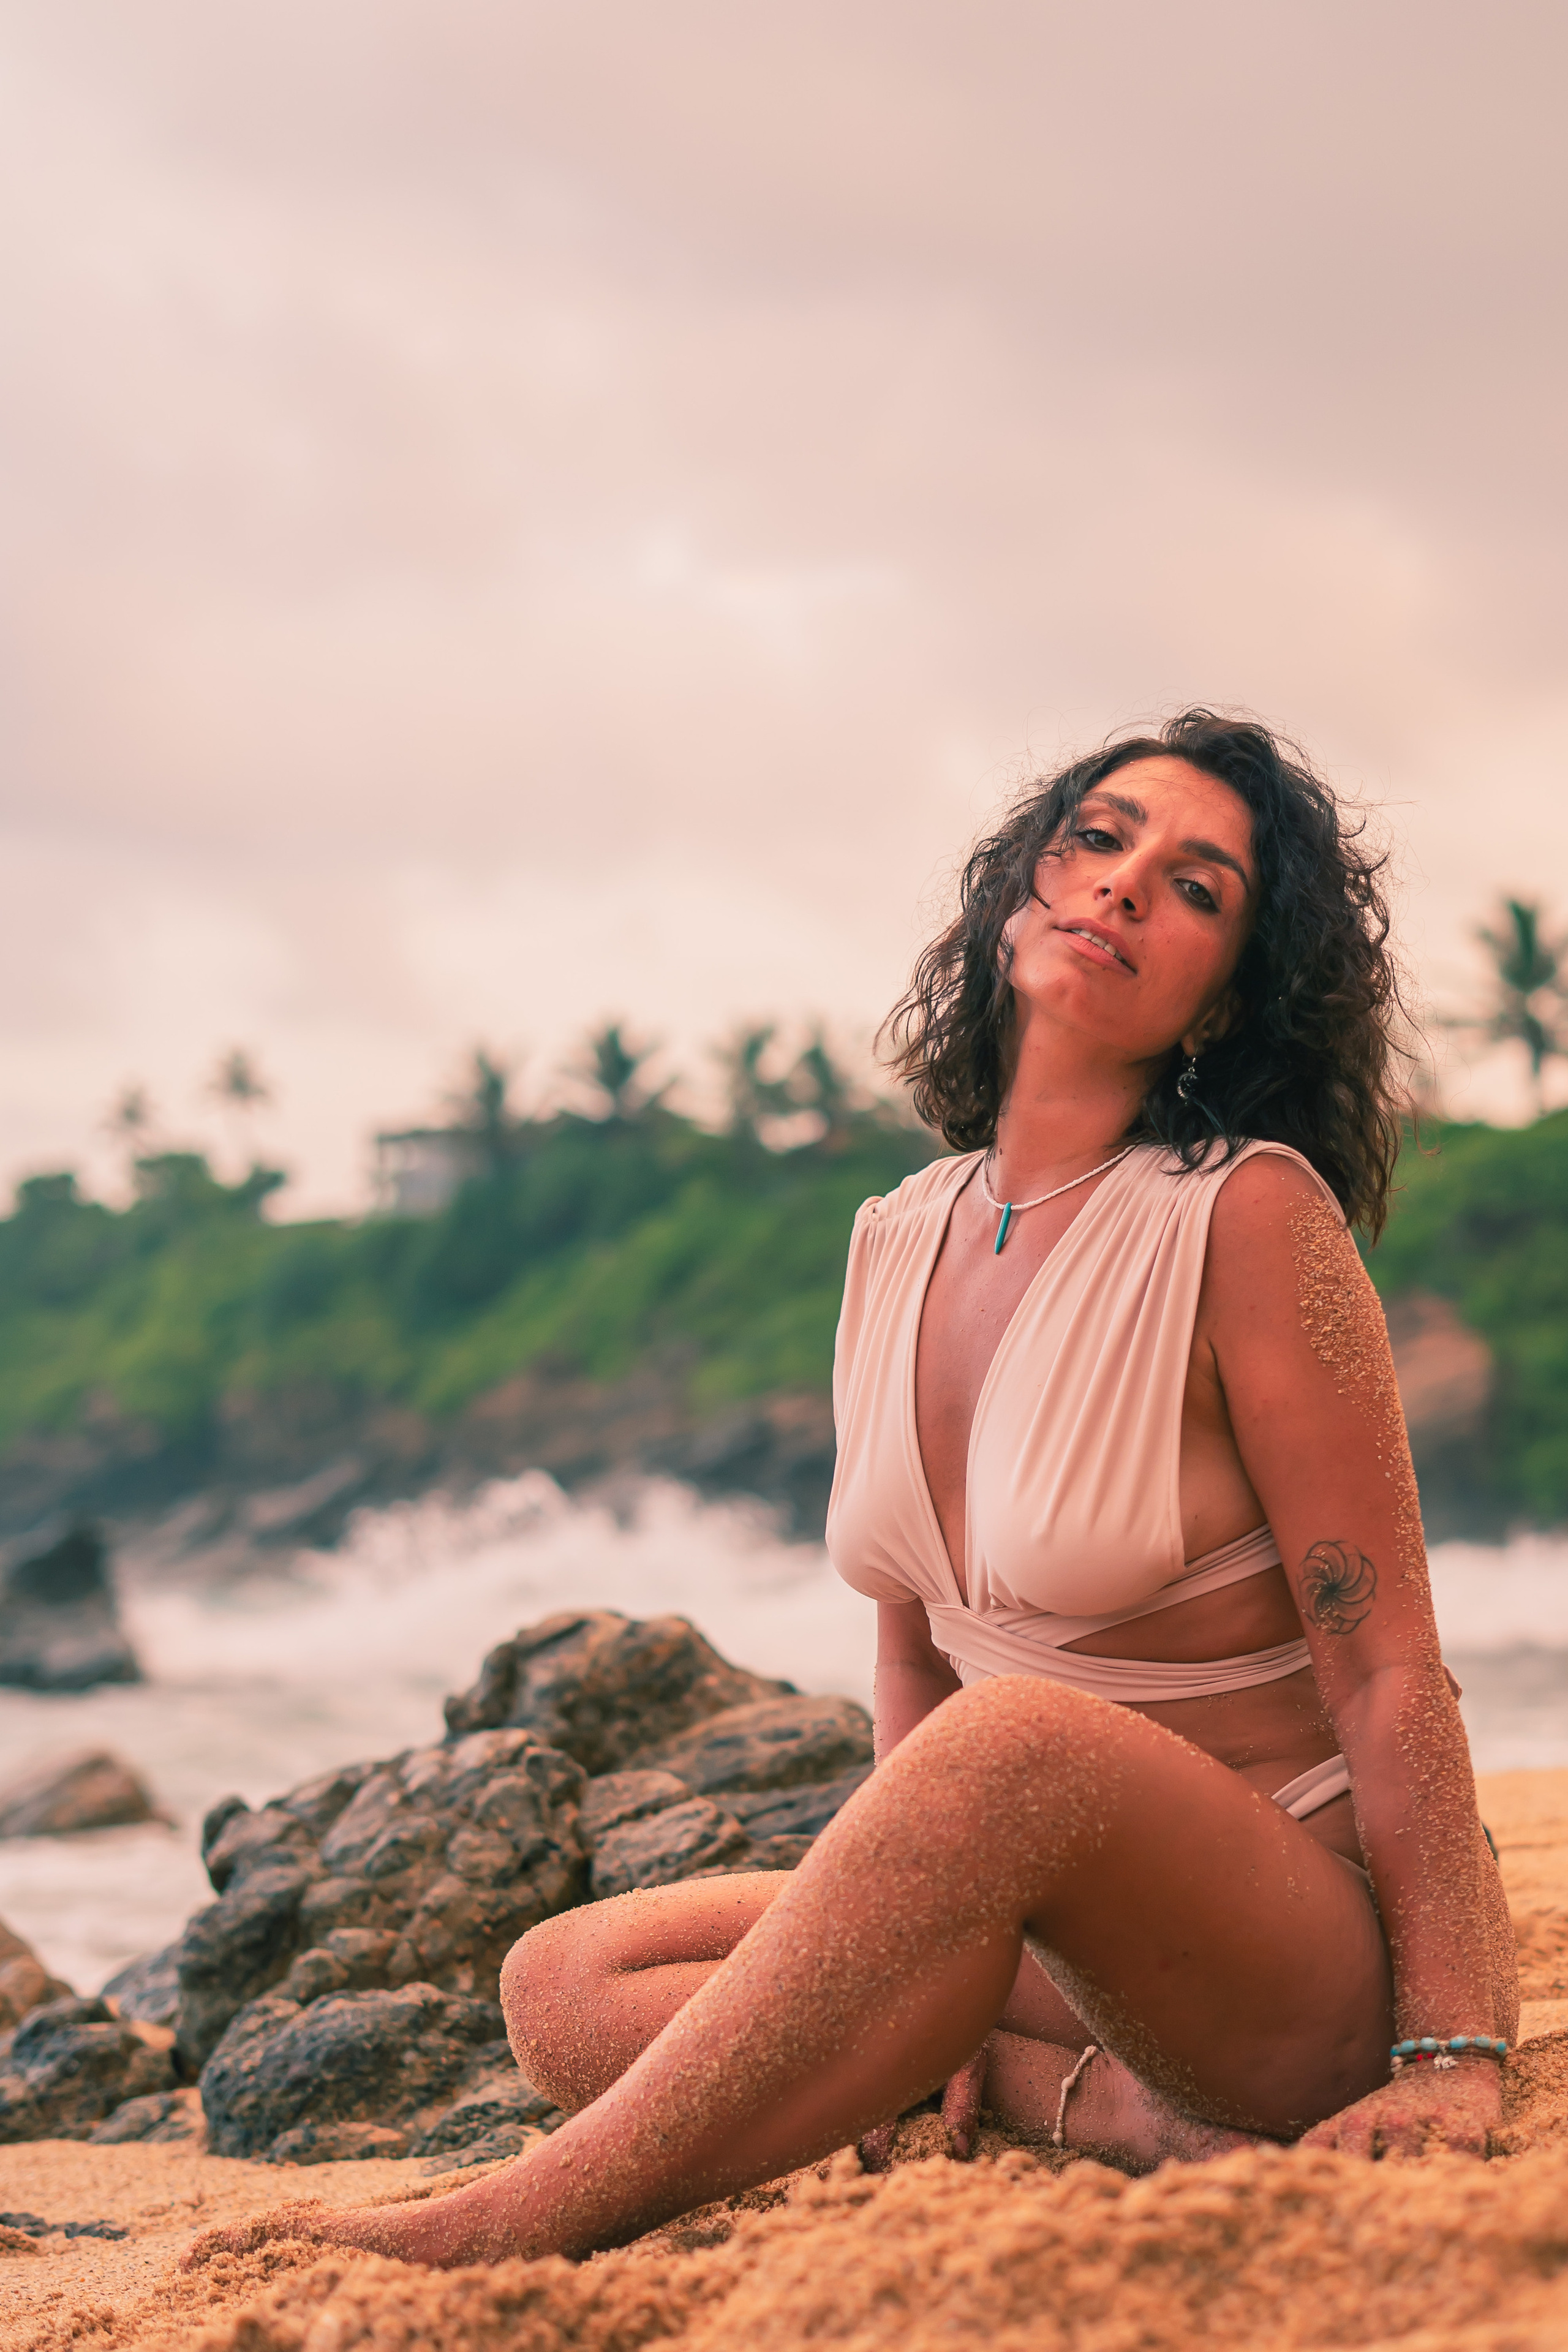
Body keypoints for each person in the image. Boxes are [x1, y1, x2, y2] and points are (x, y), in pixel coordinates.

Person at [193, 709, 1517, 2273]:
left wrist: (1451, 2049)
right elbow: (911, 1649)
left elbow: (1382, 1665)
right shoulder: (894, 1236)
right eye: (1096, 840)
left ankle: (502, 2224)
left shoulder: (1244, 1220)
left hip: (1279, 1960)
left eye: (1196, 887)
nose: (1122, 888)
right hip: (1051, 1943)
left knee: (1016, 1738)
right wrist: (920, 1963)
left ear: (1229, 995)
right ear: (1018, 888)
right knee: (564, 1981)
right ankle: (1096, 2109)